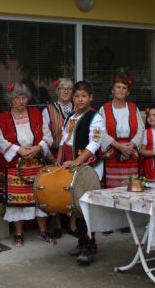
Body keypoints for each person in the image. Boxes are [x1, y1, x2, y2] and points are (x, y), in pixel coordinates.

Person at [0, 82, 54, 247]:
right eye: (17, 98)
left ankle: (43, 232)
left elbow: (47, 136)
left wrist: (38, 147)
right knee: (16, 203)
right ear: (10, 99)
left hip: (36, 164)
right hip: (15, 165)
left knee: (39, 198)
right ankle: (18, 234)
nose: (20, 101)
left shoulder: (36, 113)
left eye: (24, 97)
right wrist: (18, 150)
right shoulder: (2, 118)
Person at [57, 80, 105, 266]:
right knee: (76, 206)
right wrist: (58, 162)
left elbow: (94, 144)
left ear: (90, 97)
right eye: (76, 96)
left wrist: (77, 162)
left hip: (89, 169)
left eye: (83, 96)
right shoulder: (70, 117)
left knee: (87, 207)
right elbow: (64, 141)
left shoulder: (95, 117)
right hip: (71, 166)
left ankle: (90, 247)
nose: (79, 99)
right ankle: (81, 241)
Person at [41, 77, 75, 238]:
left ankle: (73, 223)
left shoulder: (78, 107)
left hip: (74, 154)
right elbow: (45, 135)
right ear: (57, 91)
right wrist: (50, 158)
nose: (66, 91)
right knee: (54, 188)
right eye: (63, 88)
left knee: (73, 187)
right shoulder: (48, 110)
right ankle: (56, 224)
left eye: (69, 88)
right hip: (54, 154)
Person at [99, 73, 144, 188]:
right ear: (112, 90)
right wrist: (119, 146)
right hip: (113, 154)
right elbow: (100, 131)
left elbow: (141, 129)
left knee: (131, 188)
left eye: (124, 88)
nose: (121, 90)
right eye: (118, 87)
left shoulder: (134, 108)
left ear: (127, 92)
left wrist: (131, 145)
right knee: (113, 191)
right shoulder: (104, 109)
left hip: (130, 153)